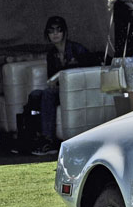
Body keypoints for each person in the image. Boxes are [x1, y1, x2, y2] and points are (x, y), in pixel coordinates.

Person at [24, 17, 98, 155]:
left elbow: (90, 71)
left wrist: (62, 74)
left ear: (65, 32)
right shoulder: (51, 54)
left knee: (48, 94)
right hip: (61, 91)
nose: (55, 34)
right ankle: (31, 137)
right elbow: (51, 79)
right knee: (35, 95)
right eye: (51, 31)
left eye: (59, 30)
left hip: (77, 91)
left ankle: (49, 141)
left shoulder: (77, 49)